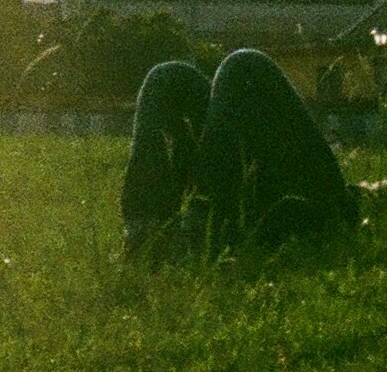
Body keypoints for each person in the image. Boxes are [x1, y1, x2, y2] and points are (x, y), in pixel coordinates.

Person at [122, 49, 358, 257]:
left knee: (244, 64)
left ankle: (198, 224)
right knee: (169, 76)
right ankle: (146, 228)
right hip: (260, 198)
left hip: (306, 204)